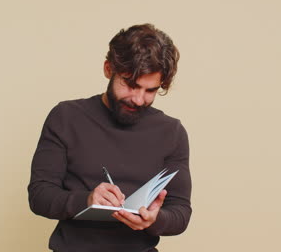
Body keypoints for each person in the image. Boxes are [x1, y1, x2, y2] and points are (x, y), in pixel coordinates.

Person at [28, 23, 192, 252]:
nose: (138, 99)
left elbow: (181, 211)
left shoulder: (171, 132)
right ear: (108, 69)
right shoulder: (66, 117)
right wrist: (87, 200)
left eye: (150, 90)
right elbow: (40, 195)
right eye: (131, 85)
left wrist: (156, 219)